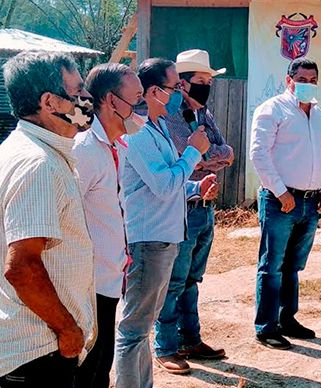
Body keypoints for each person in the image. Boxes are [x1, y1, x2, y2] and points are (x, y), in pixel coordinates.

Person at [0, 51, 96, 387]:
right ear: (50, 102)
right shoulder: (38, 165)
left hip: (37, 347)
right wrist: (67, 329)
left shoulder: (26, 151)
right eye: (78, 92)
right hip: (39, 351)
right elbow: (22, 267)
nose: (87, 100)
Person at [114, 58, 210, 386]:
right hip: (147, 241)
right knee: (133, 331)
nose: (180, 93)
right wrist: (193, 153)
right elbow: (163, 184)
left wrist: (196, 186)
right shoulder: (139, 135)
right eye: (174, 87)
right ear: (154, 91)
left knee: (143, 326)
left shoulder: (158, 129)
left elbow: (170, 183)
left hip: (164, 238)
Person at [154, 49, 233, 369]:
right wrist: (204, 155)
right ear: (182, 84)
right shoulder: (168, 117)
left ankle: (191, 339)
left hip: (204, 205)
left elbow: (225, 152)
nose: (207, 86)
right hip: (182, 206)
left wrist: (204, 154)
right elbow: (190, 156)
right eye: (201, 80)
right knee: (174, 280)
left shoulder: (204, 115)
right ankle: (165, 346)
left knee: (191, 279)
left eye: (208, 81)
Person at [250, 58, 321, 349]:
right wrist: (281, 192)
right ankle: (266, 327)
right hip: (279, 201)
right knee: (272, 265)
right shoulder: (272, 109)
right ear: (289, 80)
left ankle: (288, 319)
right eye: (302, 79)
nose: (308, 84)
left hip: (310, 203)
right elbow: (259, 154)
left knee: (293, 266)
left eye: (313, 80)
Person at [72, 63, 144, 388]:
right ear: (112, 101)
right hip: (85, 288)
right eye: (137, 99)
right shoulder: (85, 150)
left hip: (109, 279)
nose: (140, 108)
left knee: (101, 371)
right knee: (88, 375)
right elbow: (63, 217)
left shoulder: (118, 147)